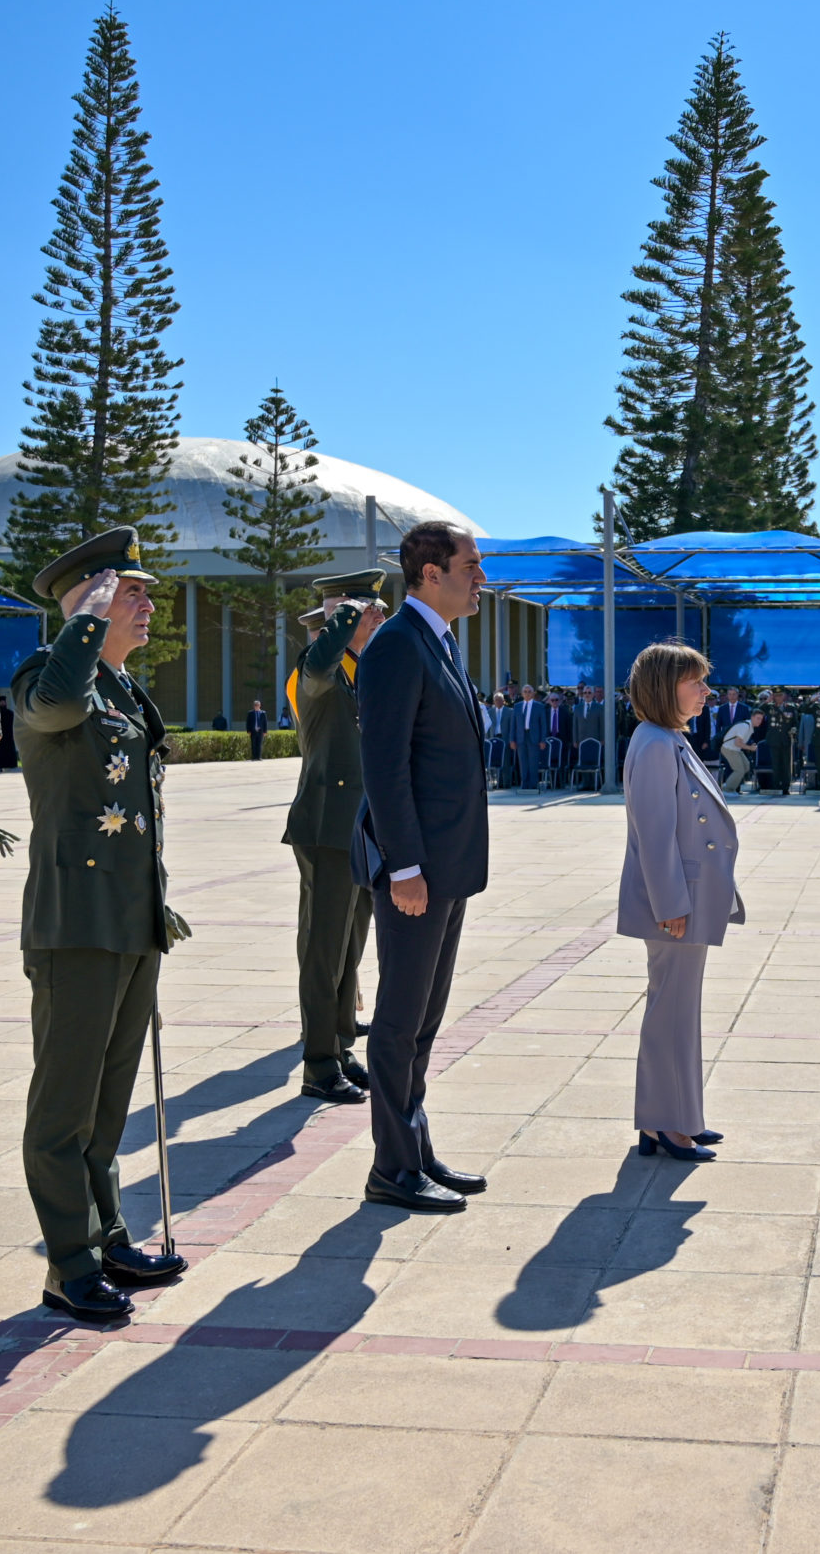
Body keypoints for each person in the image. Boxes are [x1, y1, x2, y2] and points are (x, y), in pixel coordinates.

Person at [13, 527, 189, 1321]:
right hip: (75, 925)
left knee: (108, 1103)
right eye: (133, 593)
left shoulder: (123, 691)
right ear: (89, 603)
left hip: (129, 921)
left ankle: (107, 1232)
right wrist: (82, 624)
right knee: (65, 1107)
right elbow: (56, 706)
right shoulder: (46, 681)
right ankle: (67, 1262)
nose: (149, 605)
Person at [355, 520, 492, 1215]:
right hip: (417, 872)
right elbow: (383, 765)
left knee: (426, 1019)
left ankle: (415, 1149)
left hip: (447, 867)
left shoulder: (437, 642)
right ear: (430, 572)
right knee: (398, 1020)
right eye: (471, 564)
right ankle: (392, 1168)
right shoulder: (397, 645)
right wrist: (404, 864)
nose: (481, 577)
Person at [619, 641, 743, 1161]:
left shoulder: (667, 738)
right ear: (665, 687)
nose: (706, 691)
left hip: (688, 897)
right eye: (696, 682)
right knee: (671, 1013)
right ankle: (664, 1123)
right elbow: (654, 832)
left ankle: (680, 1115)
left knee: (679, 1013)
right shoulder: (653, 744)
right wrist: (670, 902)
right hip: (676, 903)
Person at [283, 570, 390, 1105]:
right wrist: (343, 615)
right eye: (369, 610)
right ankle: (318, 1063)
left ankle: (341, 1045)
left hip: (360, 827)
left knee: (349, 946)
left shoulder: (360, 672)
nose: (379, 617)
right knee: (324, 948)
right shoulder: (315, 669)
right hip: (326, 825)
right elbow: (322, 662)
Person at [719, 708, 760, 793]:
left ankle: (730, 787)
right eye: (758, 718)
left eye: (761, 719)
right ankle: (727, 790)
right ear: (752, 717)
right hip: (729, 749)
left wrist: (749, 746)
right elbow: (737, 743)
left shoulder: (749, 726)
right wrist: (750, 748)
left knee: (746, 766)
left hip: (735, 749)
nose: (759, 721)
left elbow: (739, 743)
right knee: (739, 770)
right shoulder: (745, 726)